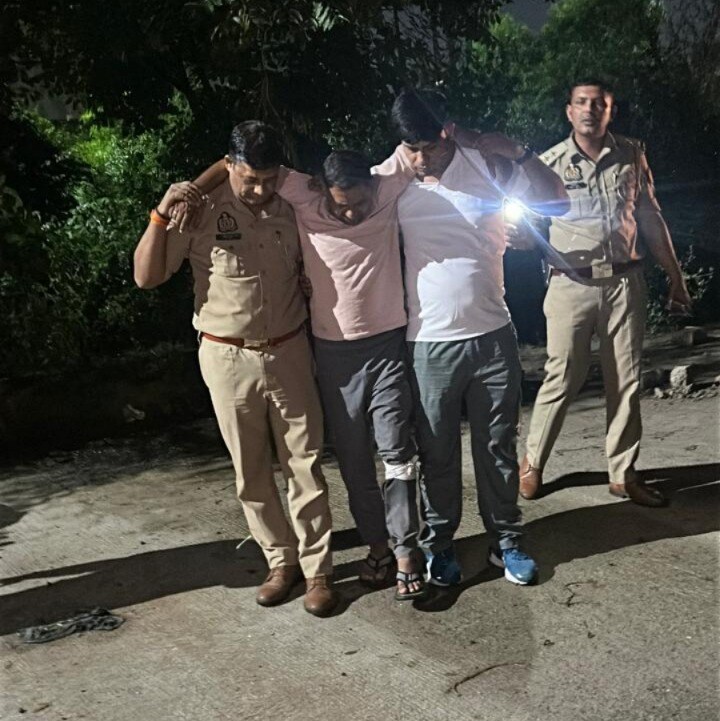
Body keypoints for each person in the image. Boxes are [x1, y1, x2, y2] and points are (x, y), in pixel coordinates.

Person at [189, 147, 426, 601]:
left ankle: (405, 552)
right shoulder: (304, 193)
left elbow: (420, 143)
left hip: (387, 347)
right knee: (354, 462)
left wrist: (499, 150)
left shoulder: (386, 185)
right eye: (341, 205)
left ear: (373, 186)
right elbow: (238, 163)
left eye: (359, 201)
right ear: (321, 189)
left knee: (397, 451)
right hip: (332, 356)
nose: (352, 212)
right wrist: (190, 192)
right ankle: (377, 547)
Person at [133, 121, 337, 616]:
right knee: (250, 469)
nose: (261, 190)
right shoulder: (199, 208)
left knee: (305, 464)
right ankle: (280, 561)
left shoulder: (291, 200)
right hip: (227, 356)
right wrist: (160, 215)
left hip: (289, 349)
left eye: (269, 179)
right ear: (229, 166)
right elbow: (147, 276)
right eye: (250, 179)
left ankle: (318, 571)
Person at [383, 89, 569, 586]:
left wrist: (520, 153)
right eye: (411, 148)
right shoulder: (393, 177)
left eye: (429, 146)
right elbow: (339, 207)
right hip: (427, 343)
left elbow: (558, 201)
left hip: (493, 336)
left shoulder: (485, 162)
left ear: (448, 131)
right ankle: (439, 545)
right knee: (436, 452)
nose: (421, 159)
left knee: (497, 447)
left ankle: (505, 541)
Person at [516, 80, 691, 507]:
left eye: (600, 103)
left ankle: (623, 473)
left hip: (625, 283)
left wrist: (676, 276)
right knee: (562, 376)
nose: (590, 110)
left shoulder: (632, 154)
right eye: (582, 103)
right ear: (569, 111)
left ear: (610, 111)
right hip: (570, 284)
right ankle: (533, 463)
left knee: (626, 380)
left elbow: (650, 217)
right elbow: (522, 223)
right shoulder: (548, 164)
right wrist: (516, 237)